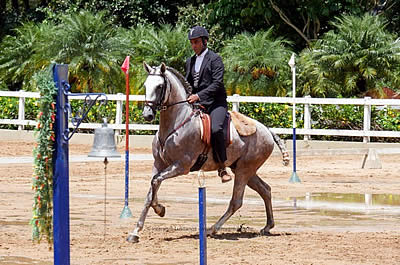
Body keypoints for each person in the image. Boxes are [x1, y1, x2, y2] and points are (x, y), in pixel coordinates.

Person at [185, 26, 233, 183]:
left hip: (215, 103)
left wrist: (198, 96)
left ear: (204, 42)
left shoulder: (215, 59)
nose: (194, 46)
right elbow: (188, 84)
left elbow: (217, 84)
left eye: (196, 42)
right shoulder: (190, 61)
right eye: (192, 43)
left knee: (216, 129)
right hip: (198, 104)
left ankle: (222, 166)